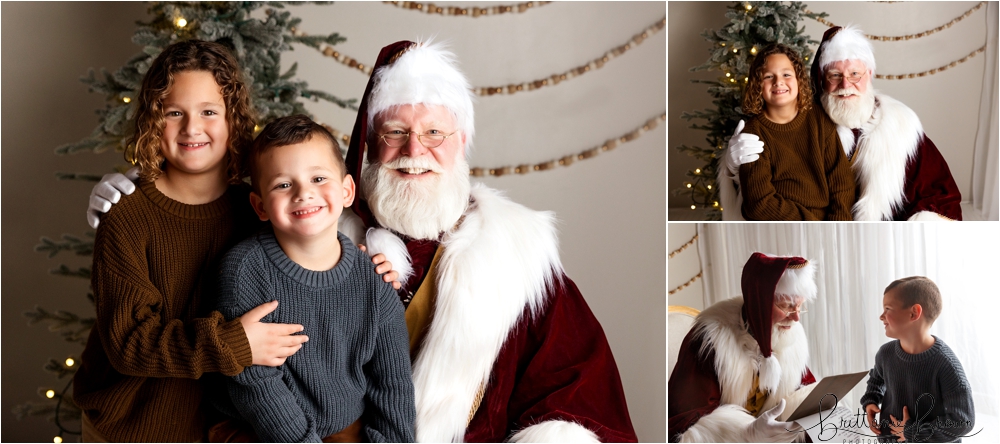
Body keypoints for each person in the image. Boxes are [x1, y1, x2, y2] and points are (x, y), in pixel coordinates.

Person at [85, 39, 637, 443]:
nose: (413, 149)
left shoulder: (514, 256)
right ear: (368, 147)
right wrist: (129, 184)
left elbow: (397, 377)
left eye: (434, 134)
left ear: (461, 141)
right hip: (168, 425)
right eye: (394, 132)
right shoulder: (294, 232)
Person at [72, 40, 310, 442]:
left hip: (220, 430)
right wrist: (232, 344)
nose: (192, 128)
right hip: (129, 427)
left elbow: (312, 259)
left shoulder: (259, 210)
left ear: (233, 120)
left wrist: (363, 257)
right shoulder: (127, 216)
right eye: (174, 113)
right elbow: (128, 342)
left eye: (209, 112)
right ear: (153, 120)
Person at [210, 115, 415, 442]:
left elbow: (393, 383)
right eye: (283, 184)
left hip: (345, 428)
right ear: (260, 206)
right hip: (259, 430)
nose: (304, 193)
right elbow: (255, 385)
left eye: (319, 178)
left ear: (347, 191)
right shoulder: (245, 271)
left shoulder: (373, 278)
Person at [723, 25, 963, 221]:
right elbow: (760, 198)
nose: (846, 85)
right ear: (821, 80)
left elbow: (940, 193)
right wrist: (733, 169)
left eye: (855, 74)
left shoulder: (900, 127)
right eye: (835, 75)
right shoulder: (807, 119)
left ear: (869, 74)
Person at [668, 252, 818, 442]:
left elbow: (802, 391)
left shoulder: (792, 337)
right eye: (787, 306)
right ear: (760, 304)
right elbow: (687, 422)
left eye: (799, 307)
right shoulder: (709, 341)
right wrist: (746, 433)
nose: (796, 317)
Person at [737, 43, 855, 220]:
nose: (778, 82)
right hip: (784, 223)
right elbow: (759, 204)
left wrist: (837, 226)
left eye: (786, 74)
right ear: (757, 84)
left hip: (830, 223)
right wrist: (811, 226)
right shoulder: (753, 134)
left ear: (798, 79)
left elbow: (842, 182)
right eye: (769, 76)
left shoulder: (818, 119)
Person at [862, 277, 974, 442]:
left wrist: (913, 432)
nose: (881, 316)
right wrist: (871, 400)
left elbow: (963, 420)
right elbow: (877, 379)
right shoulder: (885, 354)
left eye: (887, 308)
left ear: (914, 312)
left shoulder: (945, 364)